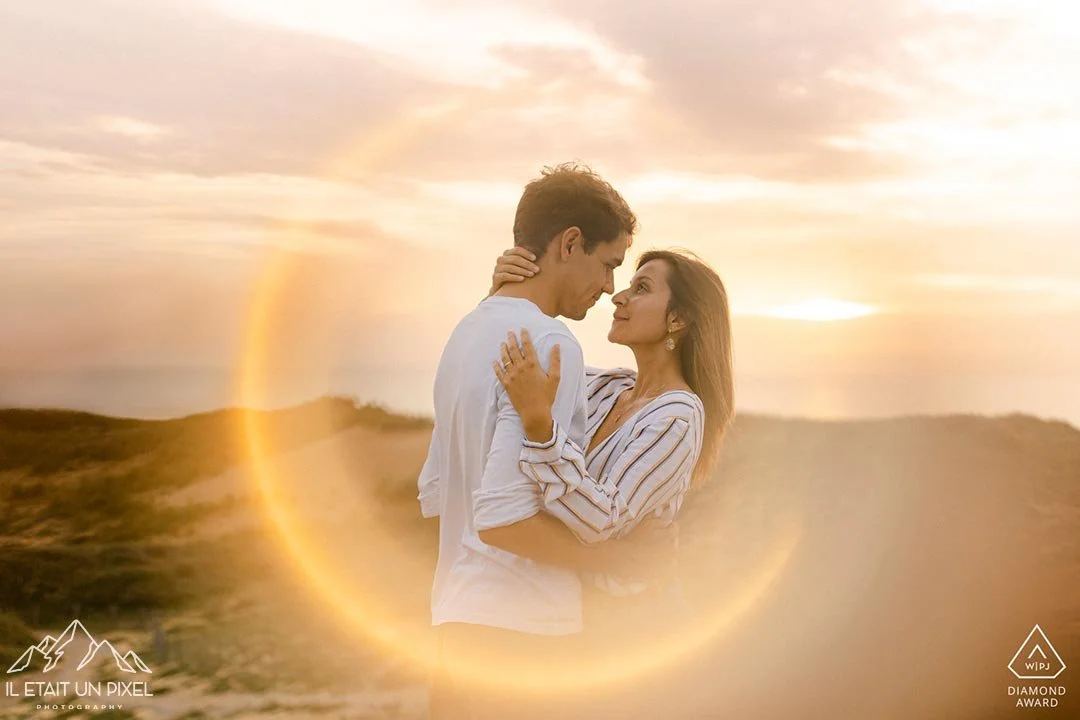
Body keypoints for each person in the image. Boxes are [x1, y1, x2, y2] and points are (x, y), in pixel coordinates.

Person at [417, 162, 671, 720]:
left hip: (456, 629)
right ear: (570, 243)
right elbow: (503, 520)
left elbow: (436, 491)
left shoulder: (466, 332)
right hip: (522, 638)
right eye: (608, 265)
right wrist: (621, 558)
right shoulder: (552, 344)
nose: (609, 288)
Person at [487, 244, 736, 716]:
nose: (619, 296)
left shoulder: (679, 415)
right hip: (583, 617)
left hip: (631, 627)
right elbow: (515, 368)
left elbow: (600, 518)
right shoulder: (608, 386)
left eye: (641, 288)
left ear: (678, 320)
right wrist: (501, 294)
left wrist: (541, 430)